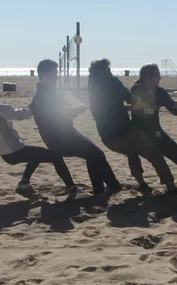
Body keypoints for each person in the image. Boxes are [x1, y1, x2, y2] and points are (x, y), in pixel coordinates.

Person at [87, 58, 177, 194]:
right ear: (105, 70)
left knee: (131, 152)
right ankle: (171, 187)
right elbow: (131, 98)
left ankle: (141, 183)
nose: (110, 71)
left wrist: (122, 109)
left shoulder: (92, 89)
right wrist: (148, 105)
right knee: (155, 153)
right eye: (108, 69)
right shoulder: (112, 82)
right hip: (122, 132)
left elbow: (104, 109)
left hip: (107, 139)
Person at [29, 59, 121, 194]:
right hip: (59, 139)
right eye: (54, 74)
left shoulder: (51, 91)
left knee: (95, 154)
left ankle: (108, 187)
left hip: (67, 134)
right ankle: (104, 188)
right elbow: (56, 117)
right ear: (44, 76)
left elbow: (62, 110)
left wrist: (73, 109)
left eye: (56, 73)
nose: (56, 76)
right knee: (95, 154)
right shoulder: (42, 96)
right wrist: (75, 110)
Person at [0, 77, 76, 195]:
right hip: (12, 149)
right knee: (55, 157)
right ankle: (72, 188)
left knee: (36, 155)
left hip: (6, 150)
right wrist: (31, 111)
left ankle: (24, 183)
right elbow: (12, 114)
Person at [130, 63, 177, 190]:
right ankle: (143, 184)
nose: (160, 78)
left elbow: (175, 111)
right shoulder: (136, 89)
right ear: (147, 77)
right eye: (157, 75)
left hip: (157, 132)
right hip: (140, 135)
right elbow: (145, 101)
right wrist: (167, 102)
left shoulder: (160, 91)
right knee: (132, 154)